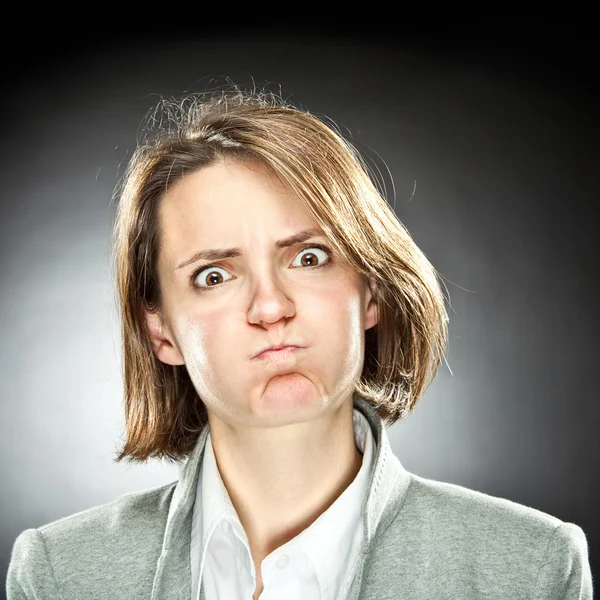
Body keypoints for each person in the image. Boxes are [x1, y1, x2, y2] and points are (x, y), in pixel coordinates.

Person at [6, 87, 593, 600]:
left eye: (308, 258)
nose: (271, 307)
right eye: (214, 274)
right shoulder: (59, 575)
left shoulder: (531, 569)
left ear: (371, 292)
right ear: (161, 331)